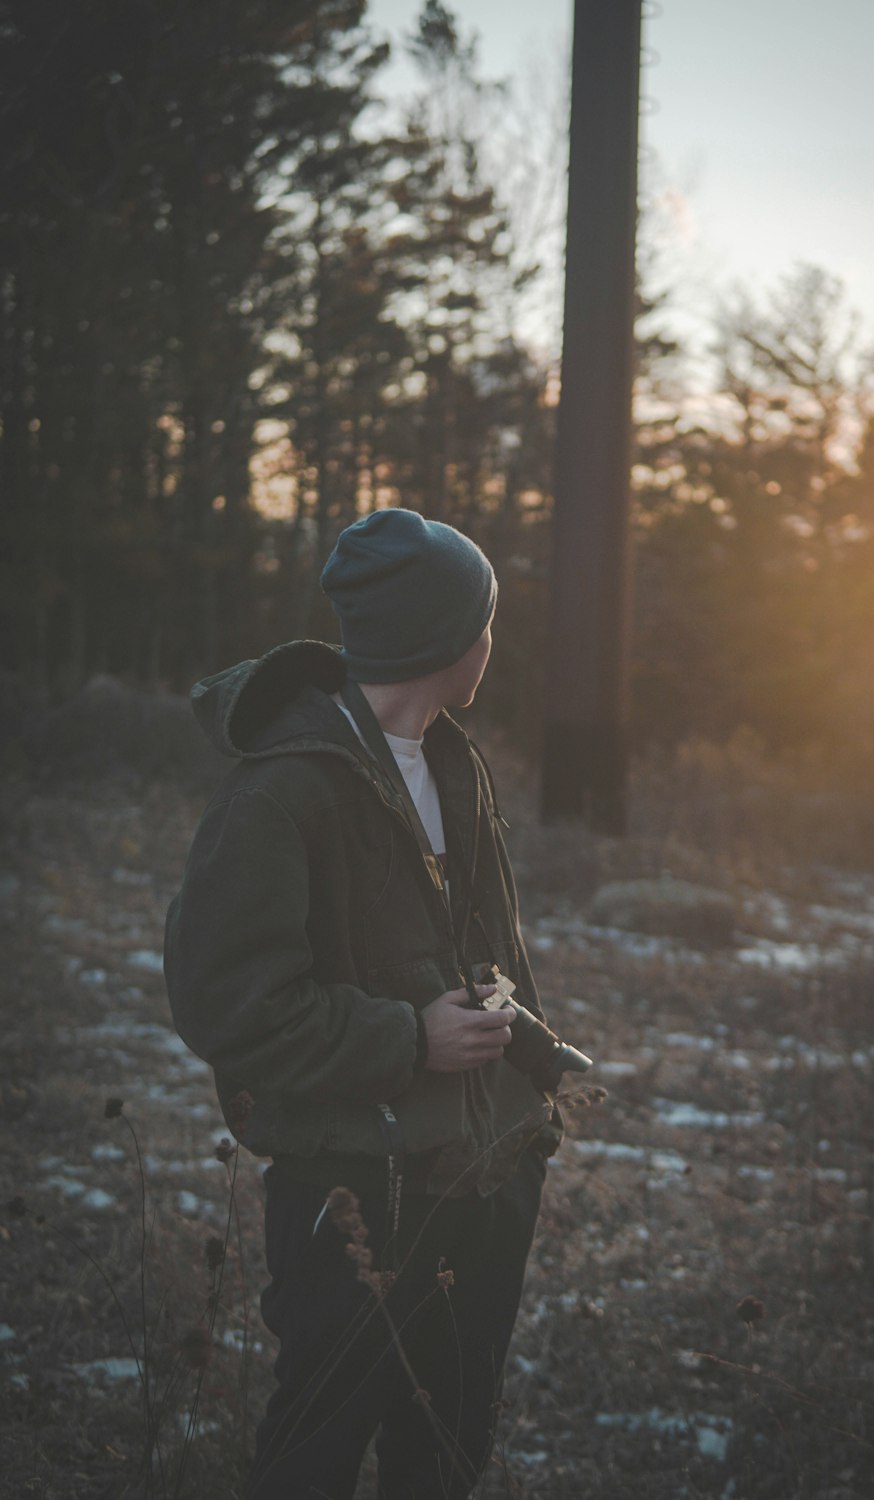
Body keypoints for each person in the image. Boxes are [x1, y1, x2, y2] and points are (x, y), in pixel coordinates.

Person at [164, 507, 562, 1500]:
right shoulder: (282, 791)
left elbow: (476, 947)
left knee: (445, 1452)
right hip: (356, 1191)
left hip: (484, 1176)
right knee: (317, 1450)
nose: (489, 640)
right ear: (438, 638)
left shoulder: (452, 759)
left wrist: (533, 1065)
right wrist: (406, 1039)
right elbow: (231, 1007)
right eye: (482, 618)